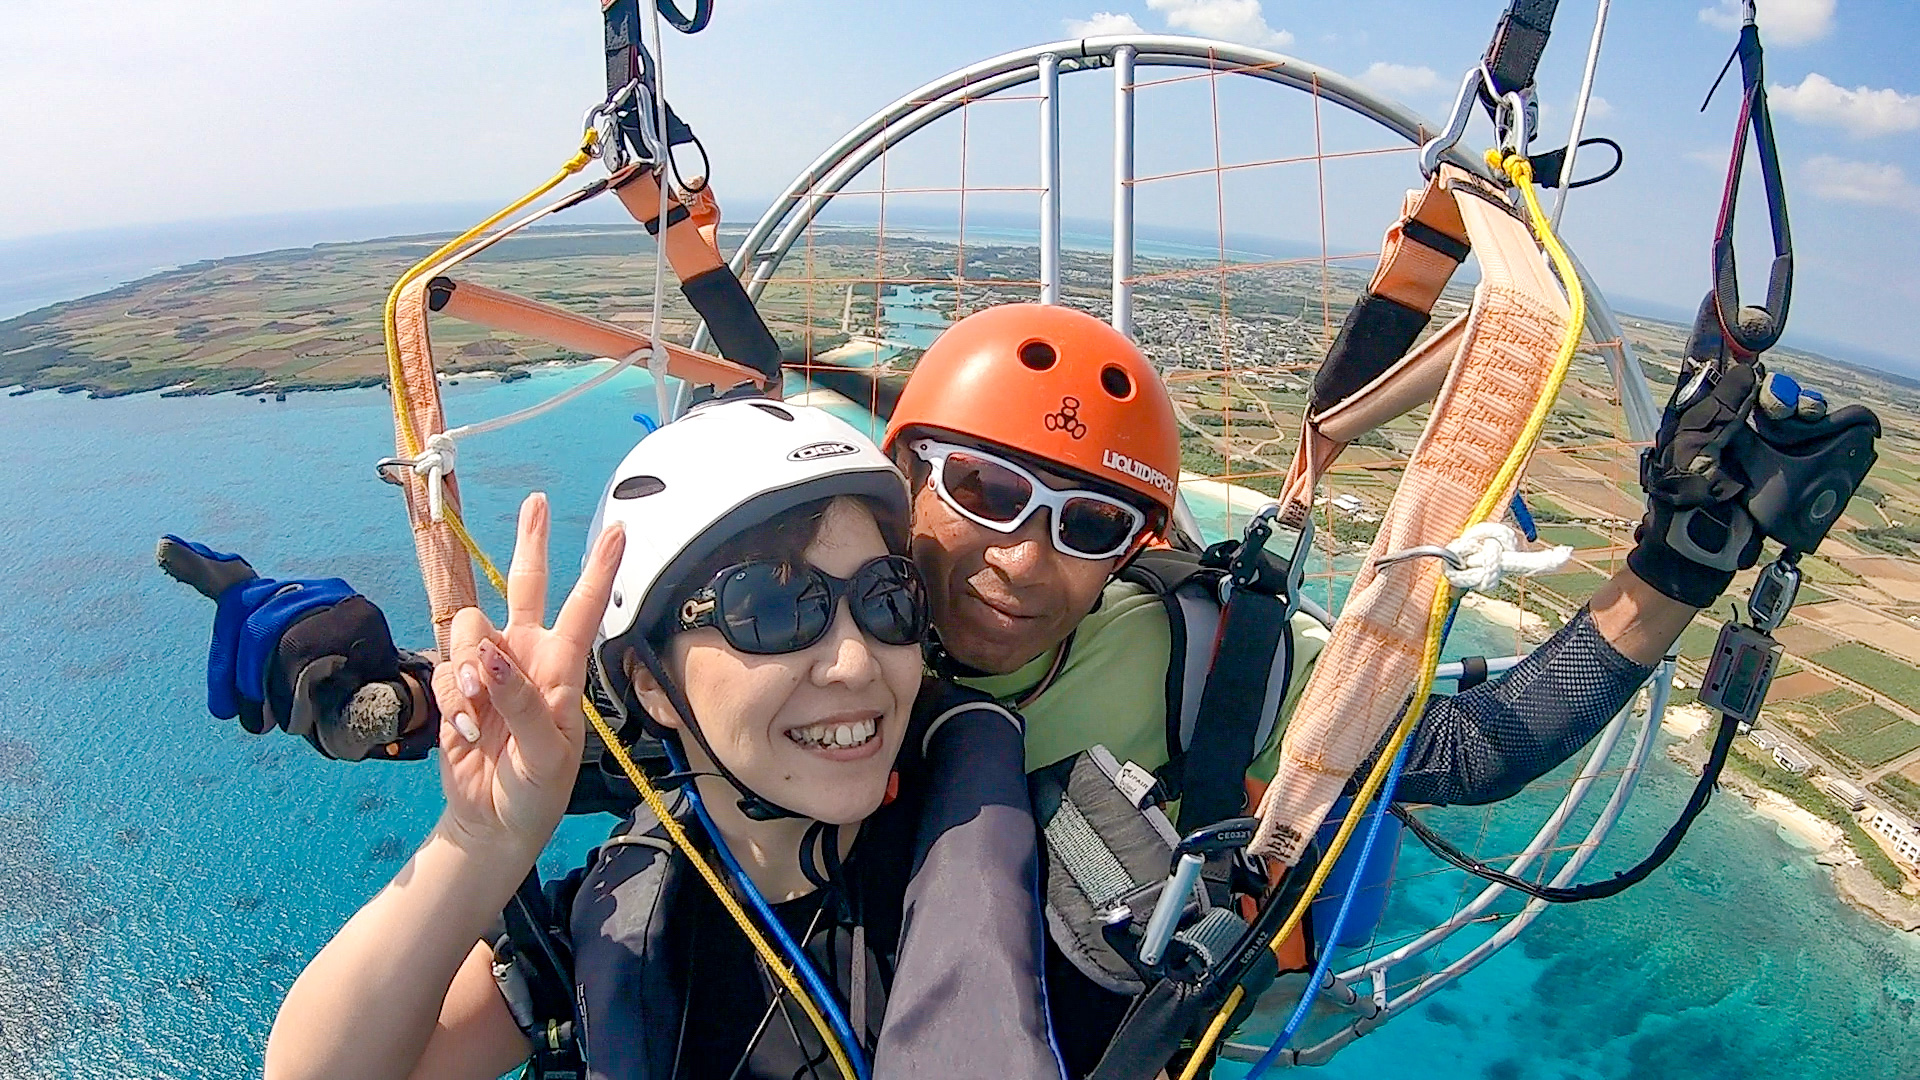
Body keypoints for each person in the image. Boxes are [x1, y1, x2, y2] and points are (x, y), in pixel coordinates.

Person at [170, 298, 1841, 1078]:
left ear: (1134, 553)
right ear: (895, 476)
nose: (1012, 559)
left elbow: (1442, 745)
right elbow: (575, 720)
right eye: (972, 492)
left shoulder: (1197, 666)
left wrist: (1668, 581)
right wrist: (369, 693)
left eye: (1086, 523)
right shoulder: (759, 727)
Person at [233, 399, 1062, 1080]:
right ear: (648, 684)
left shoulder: (1051, 896)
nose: (854, 661)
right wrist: (479, 842)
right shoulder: (613, 930)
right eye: (772, 610)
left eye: (886, 599)